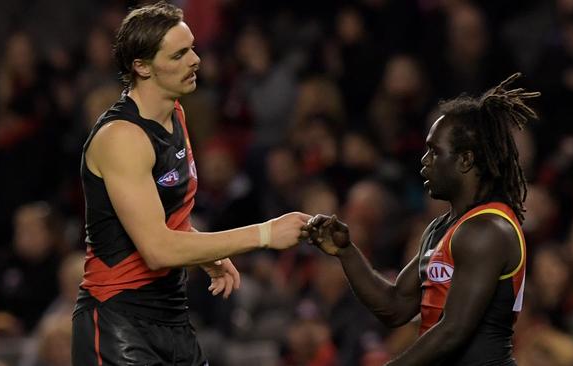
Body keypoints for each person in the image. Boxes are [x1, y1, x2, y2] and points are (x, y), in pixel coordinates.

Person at [71, 2, 310, 365]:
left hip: (172, 317)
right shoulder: (122, 138)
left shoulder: (176, 113)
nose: (195, 60)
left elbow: (166, 220)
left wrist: (207, 251)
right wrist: (264, 234)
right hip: (118, 322)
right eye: (179, 54)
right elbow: (158, 249)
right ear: (142, 66)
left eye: (193, 48)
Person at [305, 73, 540, 365]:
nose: (424, 160)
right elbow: (396, 306)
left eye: (434, 151)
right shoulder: (441, 228)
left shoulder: (489, 229)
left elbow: (453, 331)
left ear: (465, 160)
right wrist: (346, 252)